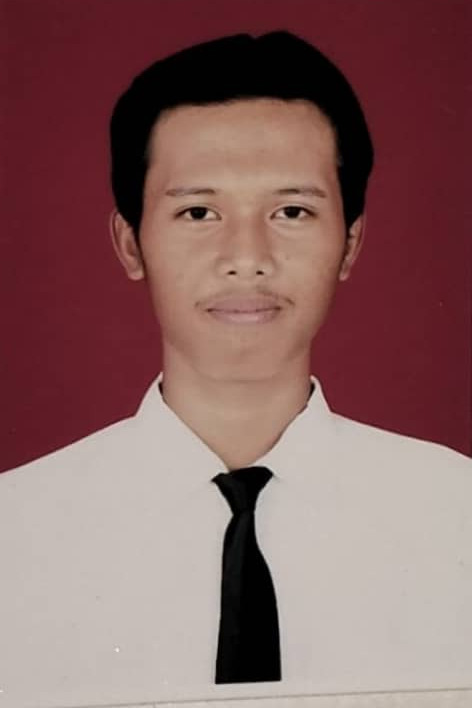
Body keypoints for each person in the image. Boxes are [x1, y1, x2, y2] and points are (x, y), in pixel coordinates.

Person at [1, 31, 470, 708]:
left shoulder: (457, 518)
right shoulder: (15, 535)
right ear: (131, 243)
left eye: (291, 211)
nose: (246, 257)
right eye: (198, 211)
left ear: (350, 243)